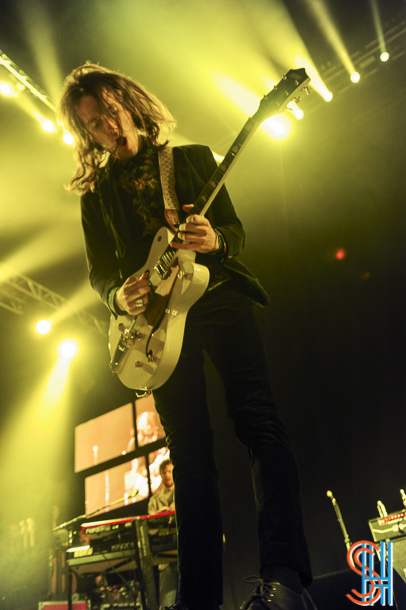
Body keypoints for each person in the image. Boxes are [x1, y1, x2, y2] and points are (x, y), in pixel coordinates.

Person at [58, 63, 316, 610]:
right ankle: (197, 599)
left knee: (258, 420)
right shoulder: (96, 197)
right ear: (88, 135)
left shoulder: (192, 159)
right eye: (94, 124)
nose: (108, 126)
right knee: (189, 453)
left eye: (111, 111)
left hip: (216, 294)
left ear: (129, 104)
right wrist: (118, 296)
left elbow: (235, 233)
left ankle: (285, 576)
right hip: (156, 327)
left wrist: (214, 238)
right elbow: (100, 272)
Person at [148, 459, 178, 610]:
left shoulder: (183, 493)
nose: (167, 475)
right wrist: (160, 517)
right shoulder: (154, 501)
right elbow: (150, 530)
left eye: (170, 471)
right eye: (164, 472)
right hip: (165, 558)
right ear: (160, 474)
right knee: (166, 603)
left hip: (186, 553)